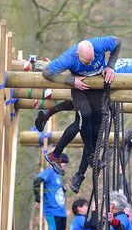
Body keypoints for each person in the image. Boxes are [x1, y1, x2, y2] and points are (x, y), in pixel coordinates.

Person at [42, 36, 122, 192]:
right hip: (79, 87)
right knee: (84, 116)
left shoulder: (100, 44)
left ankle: (78, 176)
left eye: (92, 59)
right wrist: (71, 81)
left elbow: (118, 42)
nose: (91, 63)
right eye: (87, 62)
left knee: (96, 130)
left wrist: (110, 66)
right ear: (78, 56)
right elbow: (47, 72)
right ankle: (61, 154)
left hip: (97, 85)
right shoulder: (68, 58)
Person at [35, 47, 132, 132]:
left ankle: (49, 112)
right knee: (87, 119)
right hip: (100, 85)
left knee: (77, 102)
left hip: (95, 74)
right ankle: (89, 154)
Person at [34, 154, 69, 230]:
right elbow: (36, 181)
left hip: (61, 211)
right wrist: (38, 200)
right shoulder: (49, 172)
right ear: (59, 163)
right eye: (65, 165)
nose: (66, 167)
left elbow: (55, 191)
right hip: (52, 211)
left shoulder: (59, 176)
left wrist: (63, 190)